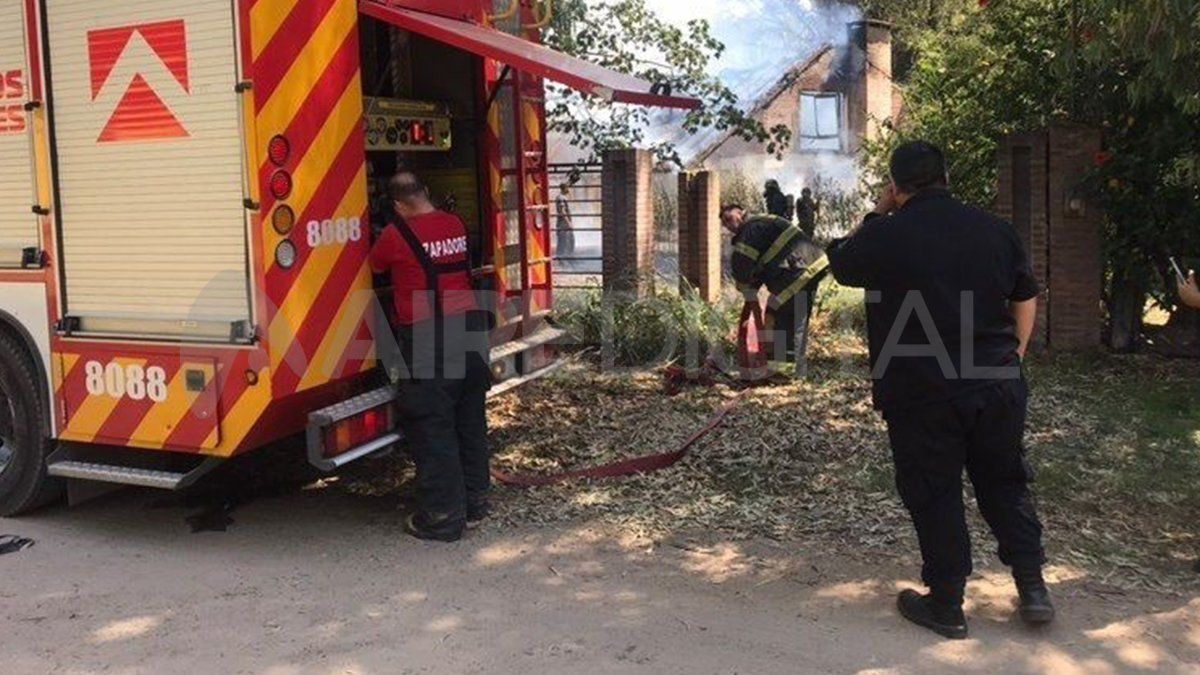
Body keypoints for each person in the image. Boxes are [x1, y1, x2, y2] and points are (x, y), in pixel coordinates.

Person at [826, 141, 1051, 640]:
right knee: (1005, 483)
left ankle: (947, 604)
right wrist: (1015, 354)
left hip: (921, 389)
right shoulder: (994, 229)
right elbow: (1026, 294)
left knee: (936, 492)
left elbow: (841, 264)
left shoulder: (885, 235)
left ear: (896, 185)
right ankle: (1033, 588)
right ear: (946, 177)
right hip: (996, 382)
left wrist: (877, 212)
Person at [369, 172, 493, 543]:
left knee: (432, 426)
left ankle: (441, 518)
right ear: (425, 193)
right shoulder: (455, 222)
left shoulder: (394, 234)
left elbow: (375, 266)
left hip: (429, 334)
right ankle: (475, 505)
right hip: (470, 329)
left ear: (397, 205)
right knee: (469, 419)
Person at [722, 205, 828, 369]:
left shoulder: (751, 228)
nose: (728, 225)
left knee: (781, 313)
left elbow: (742, 263)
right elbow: (760, 265)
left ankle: (782, 367)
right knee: (792, 314)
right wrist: (753, 285)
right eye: (724, 224)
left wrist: (743, 284)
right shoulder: (760, 225)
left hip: (798, 269)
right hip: (809, 266)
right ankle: (785, 363)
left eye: (729, 219)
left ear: (741, 212)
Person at [555, 183, 576, 258]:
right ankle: (562, 262)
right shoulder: (561, 198)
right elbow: (562, 211)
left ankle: (567, 260)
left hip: (565, 224)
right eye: (568, 188)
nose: (569, 190)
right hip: (563, 225)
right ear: (564, 189)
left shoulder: (563, 197)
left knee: (570, 242)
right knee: (564, 243)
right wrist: (568, 223)